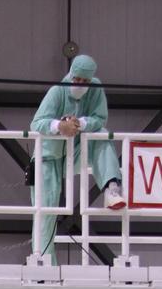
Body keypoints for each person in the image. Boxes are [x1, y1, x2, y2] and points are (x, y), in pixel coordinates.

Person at [29, 53, 126, 262]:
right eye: (77, 79)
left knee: (102, 135)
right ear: (71, 74)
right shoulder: (57, 92)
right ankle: (45, 263)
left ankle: (112, 188)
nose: (80, 84)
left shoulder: (96, 89)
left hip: (75, 152)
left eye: (85, 81)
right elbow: (36, 123)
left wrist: (81, 123)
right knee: (46, 213)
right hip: (48, 157)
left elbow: (100, 118)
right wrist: (59, 126)